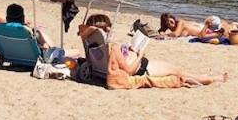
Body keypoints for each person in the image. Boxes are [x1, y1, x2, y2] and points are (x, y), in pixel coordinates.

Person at [81, 14, 228, 86]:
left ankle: (203, 77)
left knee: (177, 70)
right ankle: (211, 79)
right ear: (108, 28)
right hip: (143, 68)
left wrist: (129, 49)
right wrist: (140, 55)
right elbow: (129, 70)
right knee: (178, 71)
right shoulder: (112, 47)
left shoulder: (91, 41)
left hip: (135, 66)